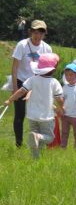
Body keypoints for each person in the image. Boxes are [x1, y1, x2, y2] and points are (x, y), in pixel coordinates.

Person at [3, 53, 63, 159]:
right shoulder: (54, 82)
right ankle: (38, 137)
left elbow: (21, 91)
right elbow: (59, 99)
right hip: (46, 117)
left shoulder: (32, 79)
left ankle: (35, 159)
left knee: (34, 141)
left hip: (32, 116)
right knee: (49, 138)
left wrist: (10, 100)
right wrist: (61, 107)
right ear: (53, 70)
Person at [10, 19, 53, 147]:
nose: (38, 35)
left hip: (38, 84)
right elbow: (14, 68)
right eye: (35, 31)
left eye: (41, 32)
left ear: (44, 34)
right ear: (30, 31)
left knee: (38, 113)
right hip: (22, 82)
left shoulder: (47, 48)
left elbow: (49, 70)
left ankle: (38, 141)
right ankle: (19, 143)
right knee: (20, 114)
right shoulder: (22, 45)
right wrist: (14, 87)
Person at [61, 63, 76, 148]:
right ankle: (63, 146)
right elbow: (62, 100)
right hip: (65, 114)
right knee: (64, 132)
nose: (69, 77)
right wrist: (61, 108)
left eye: (71, 75)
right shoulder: (65, 87)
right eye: (67, 75)